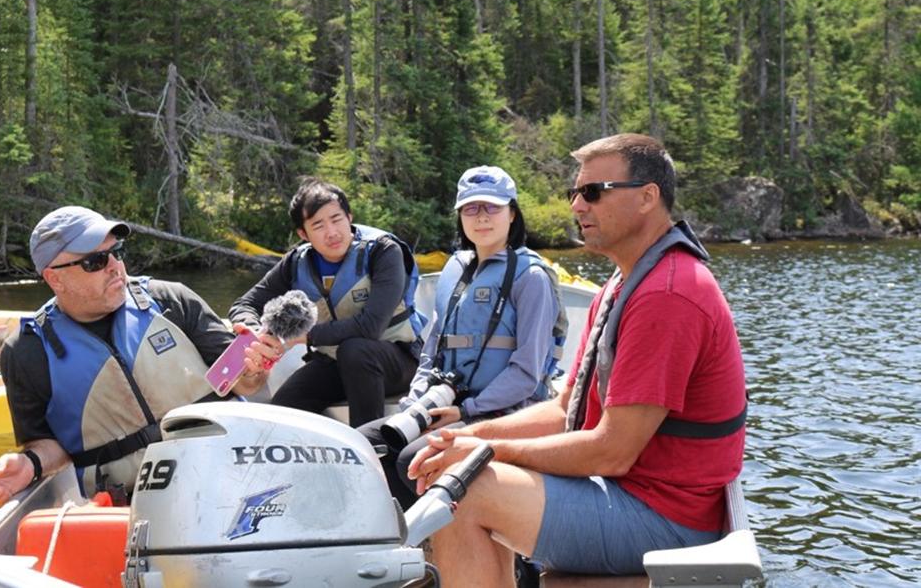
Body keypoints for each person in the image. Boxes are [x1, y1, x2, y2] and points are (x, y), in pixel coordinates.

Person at [406, 134, 747, 585]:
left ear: (648, 197)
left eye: (593, 192)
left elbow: (612, 451)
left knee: (466, 491)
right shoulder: (623, 284)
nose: (577, 206)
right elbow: (567, 409)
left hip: (667, 517)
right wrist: (467, 435)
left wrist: (485, 450)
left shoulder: (669, 293)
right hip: (631, 494)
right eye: (574, 193)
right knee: (461, 466)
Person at [0, 206, 257, 505]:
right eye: (95, 261)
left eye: (117, 252)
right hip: (133, 504)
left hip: (231, 469)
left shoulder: (171, 300)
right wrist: (30, 464)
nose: (114, 266)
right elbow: (52, 445)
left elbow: (246, 384)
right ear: (55, 279)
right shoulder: (26, 351)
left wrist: (256, 366)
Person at [359, 165, 567, 509]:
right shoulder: (456, 269)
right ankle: (403, 542)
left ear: (512, 214)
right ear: (460, 216)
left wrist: (466, 409)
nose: (481, 218)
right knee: (364, 444)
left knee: (411, 459)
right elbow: (431, 352)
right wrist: (416, 403)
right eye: (471, 208)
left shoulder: (531, 277)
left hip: (503, 410)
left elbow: (527, 375)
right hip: (447, 402)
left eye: (492, 207)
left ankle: (438, 538)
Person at [229, 178, 426, 427]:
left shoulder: (383, 252)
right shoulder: (296, 262)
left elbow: (371, 327)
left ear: (349, 217)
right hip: (336, 363)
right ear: (303, 233)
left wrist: (303, 337)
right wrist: (251, 330)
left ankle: (372, 447)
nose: (332, 232)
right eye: (318, 225)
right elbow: (245, 303)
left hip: (397, 359)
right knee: (283, 408)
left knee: (355, 350)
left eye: (336, 219)